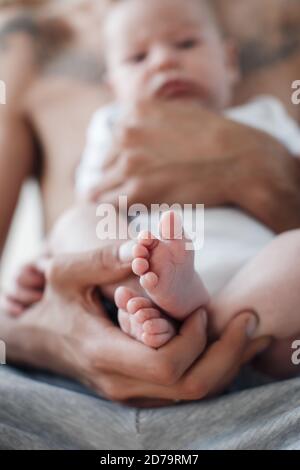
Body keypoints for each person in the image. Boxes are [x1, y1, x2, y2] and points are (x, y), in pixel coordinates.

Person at [0, 0, 299, 449]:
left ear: (229, 60)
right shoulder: (35, 49)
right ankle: (156, 302)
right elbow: (80, 224)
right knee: (82, 223)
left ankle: (199, 326)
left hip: (260, 359)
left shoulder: (268, 116)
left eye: (186, 43)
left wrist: (270, 173)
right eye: (138, 58)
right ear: (112, 83)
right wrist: (41, 284)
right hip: (84, 373)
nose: (165, 59)